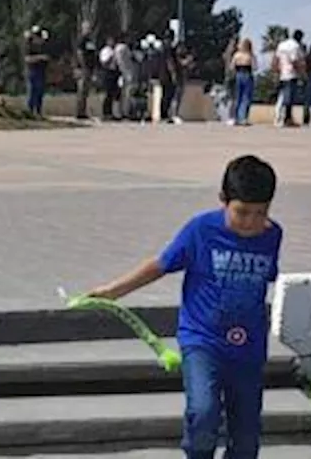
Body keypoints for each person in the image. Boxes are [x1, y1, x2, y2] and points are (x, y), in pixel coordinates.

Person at [85, 155, 282, 459]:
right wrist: (114, 291)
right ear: (223, 201)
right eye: (242, 212)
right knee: (203, 413)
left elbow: (266, 278)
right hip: (202, 340)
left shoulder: (272, 236)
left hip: (249, 347)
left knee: (246, 436)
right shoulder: (201, 230)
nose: (251, 222)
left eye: (261, 213)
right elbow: (161, 264)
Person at [273, 30, 304, 128]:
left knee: (282, 97)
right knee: (289, 98)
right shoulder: (295, 46)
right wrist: (300, 73)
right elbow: (294, 60)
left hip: (282, 74)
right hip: (291, 74)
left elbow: (276, 59)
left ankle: (279, 118)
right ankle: (287, 118)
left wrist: (276, 71)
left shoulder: (281, 45)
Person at [75, 21, 99, 120]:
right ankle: (79, 112)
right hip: (83, 68)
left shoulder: (90, 40)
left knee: (85, 91)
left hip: (90, 68)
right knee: (82, 90)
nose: (89, 30)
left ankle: (83, 111)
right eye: (87, 28)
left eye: (90, 28)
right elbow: (80, 53)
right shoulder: (82, 40)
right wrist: (83, 66)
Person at [23, 26, 50, 116]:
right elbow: (27, 59)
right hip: (32, 71)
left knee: (40, 92)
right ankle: (30, 111)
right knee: (31, 91)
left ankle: (38, 111)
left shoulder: (42, 46)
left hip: (41, 71)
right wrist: (40, 58)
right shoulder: (29, 45)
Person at [230, 38, 256, 126]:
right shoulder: (250, 55)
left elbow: (231, 67)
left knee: (238, 96)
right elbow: (255, 67)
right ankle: (243, 117)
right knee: (246, 97)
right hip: (247, 74)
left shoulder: (237, 55)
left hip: (238, 74)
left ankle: (235, 118)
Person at [99, 36, 121, 120]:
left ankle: (113, 112)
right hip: (108, 72)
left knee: (115, 93)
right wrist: (111, 57)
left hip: (115, 72)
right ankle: (105, 113)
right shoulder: (106, 51)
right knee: (108, 93)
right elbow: (104, 62)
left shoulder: (115, 50)